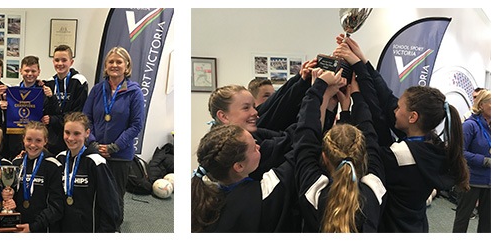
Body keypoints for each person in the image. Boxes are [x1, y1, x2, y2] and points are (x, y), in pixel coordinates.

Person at [333, 34, 470, 232]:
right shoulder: (431, 144)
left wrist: (356, 98)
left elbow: (371, 135)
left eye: (399, 108)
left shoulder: (400, 157)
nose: (394, 110)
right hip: (416, 225)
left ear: (413, 117)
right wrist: (363, 62)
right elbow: (387, 99)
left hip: (395, 228)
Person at [292, 67, 385, 232]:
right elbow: (370, 135)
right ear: (364, 155)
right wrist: (351, 102)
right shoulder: (374, 190)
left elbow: (305, 136)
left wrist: (319, 89)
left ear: (324, 157)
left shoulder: (314, 190)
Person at [190, 124, 296, 232]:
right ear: (239, 166)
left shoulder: (206, 201)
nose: (259, 146)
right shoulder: (263, 192)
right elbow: (299, 154)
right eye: (254, 148)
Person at [83, 46, 144, 231]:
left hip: (119, 155)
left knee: (115, 196)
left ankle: (113, 229)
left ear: (126, 66)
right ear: (106, 65)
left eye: (119, 62)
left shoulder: (134, 92)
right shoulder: (96, 90)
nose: (114, 65)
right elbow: (86, 119)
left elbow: (136, 125)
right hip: (95, 152)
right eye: (111, 62)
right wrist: (93, 144)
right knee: (94, 194)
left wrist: (113, 147)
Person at [56, 112, 120, 232]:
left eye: (77, 133)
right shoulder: (60, 159)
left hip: (89, 228)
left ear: (87, 133)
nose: (70, 138)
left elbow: (110, 204)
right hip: (63, 226)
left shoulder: (97, 162)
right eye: (67, 132)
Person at [2, 56, 60, 160]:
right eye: (26, 70)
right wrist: (6, 102)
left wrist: (51, 98)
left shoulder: (45, 92)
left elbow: (57, 114)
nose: (30, 74)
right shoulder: (12, 92)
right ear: (20, 71)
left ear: (38, 72)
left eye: (33, 71)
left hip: (36, 143)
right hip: (15, 141)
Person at [11, 121, 64, 233]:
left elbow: (57, 206)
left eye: (38, 140)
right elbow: (12, 194)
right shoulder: (16, 163)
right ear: (23, 139)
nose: (33, 145)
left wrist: (33, 227)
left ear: (45, 141)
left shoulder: (53, 166)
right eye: (29, 139)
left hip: (43, 229)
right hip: (19, 227)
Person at [453, 89, 491, 233]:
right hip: (470, 180)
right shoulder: (470, 125)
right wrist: (485, 161)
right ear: (481, 105)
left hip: (490, 182)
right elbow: (459, 152)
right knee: (462, 221)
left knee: (488, 224)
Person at [45, 45, 89, 155]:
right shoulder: (49, 83)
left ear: (71, 62)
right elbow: (48, 110)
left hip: (72, 138)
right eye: (57, 60)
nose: (60, 63)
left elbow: (77, 112)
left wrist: (54, 119)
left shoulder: (79, 82)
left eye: (64, 60)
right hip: (53, 140)